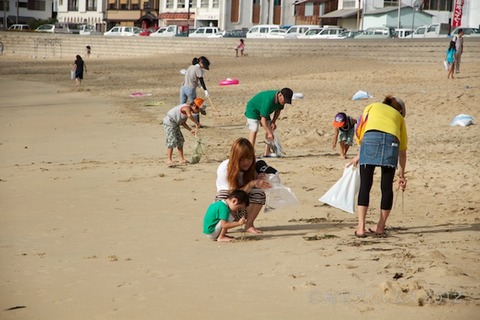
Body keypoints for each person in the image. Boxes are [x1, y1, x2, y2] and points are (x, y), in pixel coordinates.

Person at [349, 95, 408, 238]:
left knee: (365, 185)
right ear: (399, 110)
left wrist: (360, 151)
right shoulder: (399, 118)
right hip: (391, 142)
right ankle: (380, 227)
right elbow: (402, 150)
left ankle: (361, 228)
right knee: (386, 186)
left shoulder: (372, 106)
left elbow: (360, 126)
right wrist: (401, 175)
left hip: (369, 140)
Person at [215, 138, 272, 234]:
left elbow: (264, 164)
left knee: (259, 193)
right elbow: (232, 196)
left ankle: (249, 225)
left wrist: (262, 174)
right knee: (223, 194)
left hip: (244, 206)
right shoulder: (225, 168)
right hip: (227, 206)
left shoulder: (253, 166)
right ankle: (223, 225)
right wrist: (252, 184)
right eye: (242, 159)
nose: (246, 162)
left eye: (249, 159)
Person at [244, 88, 294, 157]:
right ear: (280, 95)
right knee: (254, 128)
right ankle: (250, 153)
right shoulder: (268, 101)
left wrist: (273, 121)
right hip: (253, 110)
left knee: (271, 128)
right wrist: (269, 133)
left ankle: (267, 152)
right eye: (284, 100)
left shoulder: (281, 100)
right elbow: (263, 120)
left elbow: (278, 110)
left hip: (264, 111)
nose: (284, 103)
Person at [163, 98, 205, 166]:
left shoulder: (188, 112)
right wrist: (196, 122)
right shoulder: (186, 108)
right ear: (194, 106)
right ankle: (169, 159)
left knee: (180, 140)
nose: (197, 112)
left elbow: (183, 123)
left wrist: (190, 130)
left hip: (176, 124)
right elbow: (189, 115)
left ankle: (181, 159)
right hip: (169, 123)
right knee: (172, 140)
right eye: (197, 110)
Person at [180, 56, 210, 124]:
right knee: (195, 107)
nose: (203, 68)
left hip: (183, 88)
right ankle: (197, 123)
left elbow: (192, 79)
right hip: (190, 90)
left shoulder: (190, 67)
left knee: (181, 106)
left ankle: (180, 122)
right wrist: (205, 90)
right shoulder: (198, 69)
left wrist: (200, 86)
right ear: (201, 63)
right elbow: (201, 80)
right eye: (204, 66)